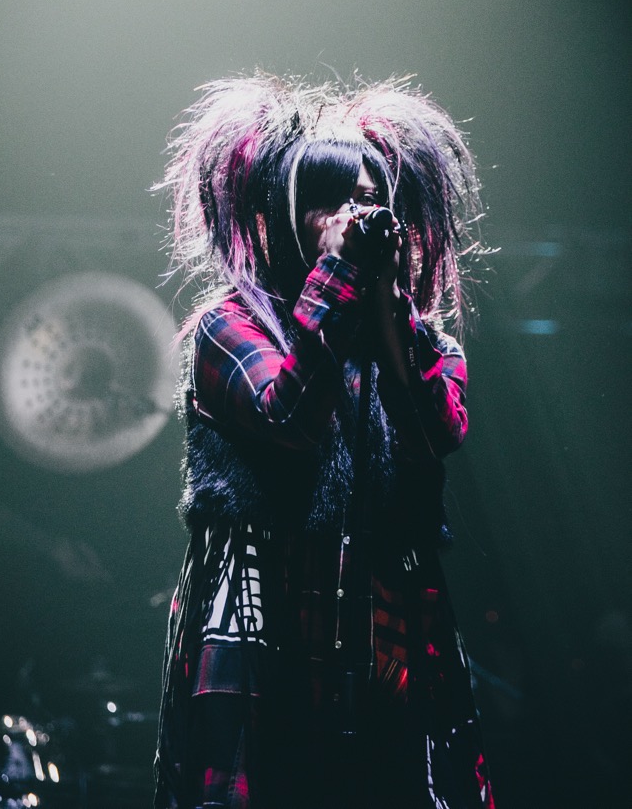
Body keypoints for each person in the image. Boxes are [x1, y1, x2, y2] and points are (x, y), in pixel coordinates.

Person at [153, 73, 495, 808]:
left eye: (368, 200)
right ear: (281, 218)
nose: (354, 217)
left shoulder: (423, 342)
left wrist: (391, 309)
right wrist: (336, 276)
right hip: (265, 605)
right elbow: (290, 420)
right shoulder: (230, 327)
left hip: (385, 605)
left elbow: (439, 433)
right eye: (331, 202)